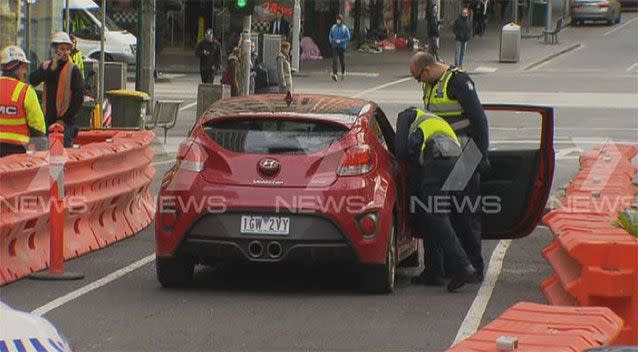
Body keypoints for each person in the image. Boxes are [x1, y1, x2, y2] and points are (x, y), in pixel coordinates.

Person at [409, 51, 490, 283]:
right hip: (440, 156)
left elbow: (479, 120)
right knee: (438, 212)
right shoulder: (430, 85)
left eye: (418, 77)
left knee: (463, 212)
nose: (419, 83)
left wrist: (479, 156)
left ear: (427, 70)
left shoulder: (459, 82)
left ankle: (475, 266)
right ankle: (439, 269)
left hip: (464, 154)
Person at [395, 107, 477, 292]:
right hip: (457, 160)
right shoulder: (433, 120)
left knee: (435, 215)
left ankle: (463, 266)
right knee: (431, 215)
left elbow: (400, 149)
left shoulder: (406, 115)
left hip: (437, 159)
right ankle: (434, 271)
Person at [29, 31, 84, 148]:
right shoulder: (47, 66)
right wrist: (51, 67)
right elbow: (33, 80)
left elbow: (78, 98)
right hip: (48, 120)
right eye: (62, 49)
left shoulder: (73, 70)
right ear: (54, 50)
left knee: (63, 152)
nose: (65, 52)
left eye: (67, 49)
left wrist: (64, 119)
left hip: (66, 123)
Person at [0, 46, 46, 157]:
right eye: (24, 67)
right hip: (17, 153)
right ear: (17, 67)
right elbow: (37, 128)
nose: (25, 72)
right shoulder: (26, 91)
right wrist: (41, 155)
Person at [329, 14, 351, 81]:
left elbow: (348, 37)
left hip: (341, 47)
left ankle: (343, 72)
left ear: (341, 20)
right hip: (335, 46)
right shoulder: (333, 27)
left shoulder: (344, 28)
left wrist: (341, 41)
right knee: (334, 60)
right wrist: (331, 40)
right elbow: (330, 35)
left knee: (342, 61)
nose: (338, 21)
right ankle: (335, 74)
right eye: (337, 20)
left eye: (339, 20)